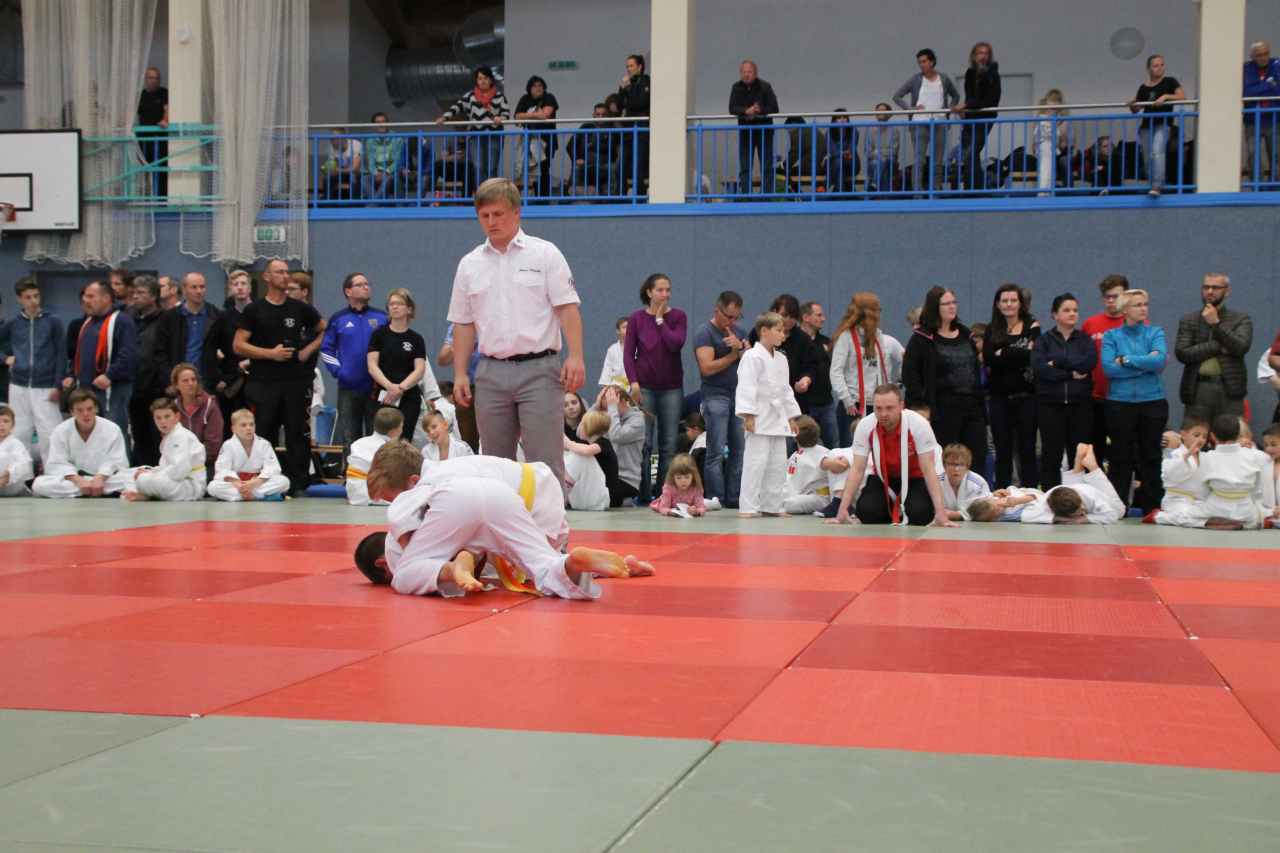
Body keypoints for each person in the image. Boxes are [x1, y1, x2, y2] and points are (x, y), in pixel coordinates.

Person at [448, 178, 585, 496]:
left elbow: (567, 308)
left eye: (498, 214)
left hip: (540, 369)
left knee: (545, 462)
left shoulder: (545, 254)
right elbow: (463, 324)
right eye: (484, 216)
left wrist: (576, 356)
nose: (492, 222)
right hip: (490, 372)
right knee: (494, 464)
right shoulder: (469, 264)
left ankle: (551, 526)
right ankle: (500, 527)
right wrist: (460, 373)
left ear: (516, 212)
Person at [355, 477, 652, 599]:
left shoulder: (395, 544)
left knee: (404, 577)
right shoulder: (431, 490)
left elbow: (401, 516)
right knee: (542, 565)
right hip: (499, 492)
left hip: (453, 502)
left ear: (381, 563)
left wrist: (454, 567)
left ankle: (450, 569)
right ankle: (573, 563)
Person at [233, 259, 326, 496]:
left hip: (295, 382)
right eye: (279, 272)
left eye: (287, 272)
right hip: (263, 382)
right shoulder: (254, 310)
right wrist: (270, 354)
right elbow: (239, 345)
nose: (285, 276)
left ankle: (298, 484)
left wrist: (308, 349)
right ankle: (264, 480)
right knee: (265, 432)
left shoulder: (300, 308)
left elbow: (325, 329)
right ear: (267, 277)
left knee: (297, 432)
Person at [829, 384, 955, 526]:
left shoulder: (919, 425)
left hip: (914, 478)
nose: (883, 414)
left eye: (889, 408)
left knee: (920, 515)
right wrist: (842, 510)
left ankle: (902, 510)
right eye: (878, 408)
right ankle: (892, 511)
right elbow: (857, 469)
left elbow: (929, 470)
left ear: (901, 405)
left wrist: (940, 513)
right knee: (867, 513)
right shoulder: (865, 425)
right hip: (883, 479)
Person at [1101, 288, 1168, 513]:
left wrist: (1127, 360)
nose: (1143, 309)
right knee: (1120, 457)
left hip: (1153, 401)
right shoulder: (1111, 336)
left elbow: (1159, 361)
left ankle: (1152, 506)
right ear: (1125, 309)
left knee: (1151, 455)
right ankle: (1118, 506)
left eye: (1145, 304)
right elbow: (1109, 368)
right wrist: (1145, 363)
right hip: (1120, 403)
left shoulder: (1155, 332)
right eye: (1138, 305)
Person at [903, 286, 985, 465]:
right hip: (941, 409)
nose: (952, 307)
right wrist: (921, 406)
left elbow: (975, 370)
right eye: (946, 303)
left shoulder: (965, 334)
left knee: (976, 456)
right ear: (934, 307)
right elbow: (910, 375)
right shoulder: (922, 338)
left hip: (972, 407)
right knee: (944, 459)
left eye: (954, 302)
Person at [623, 273, 687, 500]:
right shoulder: (636, 318)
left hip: (671, 388)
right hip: (645, 388)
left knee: (668, 444)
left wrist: (660, 321)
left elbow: (675, 344)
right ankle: (642, 494)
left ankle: (663, 494)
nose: (665, 294)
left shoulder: (678, 316)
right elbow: (628, 355)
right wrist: (634, 382)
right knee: (644, 443)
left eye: (668, 290)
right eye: (660, 290)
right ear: (649, 292)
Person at [736, 311, 802, 518]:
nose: (783, 334)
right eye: (779, 330)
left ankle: (772, 506)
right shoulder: (751, 356)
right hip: (758, 417)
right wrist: (748, 415)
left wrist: (791, 417)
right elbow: (747, 386)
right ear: (764, 331)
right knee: (755, 464)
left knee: (777, 464)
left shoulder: (781, 358)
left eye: (784, 331)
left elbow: (786, 390)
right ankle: (748, 507)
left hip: (778, 418)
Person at [1032, 293, 1097, 489]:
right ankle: (1051, 495)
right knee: (1051, 454)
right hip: (1051, 405)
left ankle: (1080, 495)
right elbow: (1040, 369)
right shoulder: (1044, 341)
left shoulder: (1085, 340)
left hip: (1080, 405)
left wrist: (1057, 363)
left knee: (1080, 454)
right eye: (1066, 310)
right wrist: (1069, 373)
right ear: (1055, 314)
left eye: (1075, 310)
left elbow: (1088, 363)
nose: (1072, 314)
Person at [1174, 273, 1252, 425]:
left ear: (1227, 291)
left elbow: (1240, 348)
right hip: (1198, 388)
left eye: (1215, 288)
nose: (1209, 291)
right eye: (1206, 287)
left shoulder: (1241, 319)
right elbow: (1183, 353)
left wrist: (1216, 324)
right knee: (1195, 434)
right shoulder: (1189, 319)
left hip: (1229, 389)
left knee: (1231, 435)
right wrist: (1218, 346)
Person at [1, 278, 65, 464]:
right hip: (18, 385)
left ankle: (53, 471)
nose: (34, 301)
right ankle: (20, 474)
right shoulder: (13, 323)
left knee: (50, 432)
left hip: (45, 385)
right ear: (19, 299)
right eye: (28, 297)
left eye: (36, 296)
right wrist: (5, 358)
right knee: (19, 431)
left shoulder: (53, 322)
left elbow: (61, 354)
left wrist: (58, 384)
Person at [829, 292, 904, 448]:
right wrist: (847, 400)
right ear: (869, 313)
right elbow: (836, 371)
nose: (880, 314)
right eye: (878, 310)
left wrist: (890, 390)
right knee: (851, 449)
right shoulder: (846, 338)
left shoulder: (878, 336)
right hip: (853, 407)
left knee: (880, 448)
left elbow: (883, 368)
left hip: (877, 405)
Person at [694, 290, 747, 508]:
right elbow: (707, 368)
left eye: (736, 317)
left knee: (739, 449)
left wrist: (742, 348)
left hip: (739, 395)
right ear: (717, 311)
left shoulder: (740, 331)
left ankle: (734, 498)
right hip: (715, 395)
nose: (732, 321)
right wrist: (733, 354)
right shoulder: (704, 333)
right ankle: (717, 498)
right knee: (715, 450)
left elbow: (751, 361)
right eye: (728, 316)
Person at [321, 272, 387, 449]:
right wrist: (340, 372)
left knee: (378, 439)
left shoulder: (382, 317)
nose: (366, 287)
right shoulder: (338, 319)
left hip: (376, 388)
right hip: (348, 389)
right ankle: (350, 468)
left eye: (367, 284)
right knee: (350, 439)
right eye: (360, 284)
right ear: (348, 291)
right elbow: (326, 349)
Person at [983, 283, 1040, 488]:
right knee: (1003, 450)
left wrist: (1004, 352)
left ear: (1020, 303)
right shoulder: (991, 329)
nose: (1009, 304)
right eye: (1004, 300)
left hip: (1027, 397)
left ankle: (1032, 493)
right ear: (998, 304)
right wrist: (1017, 354)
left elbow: (1033, 356)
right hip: (999, 398)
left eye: (1013, 300)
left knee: (1027, 450)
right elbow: (989, 359)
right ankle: (1002, 493)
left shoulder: (1032, 325)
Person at [64, 280, 137, 437]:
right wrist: (72, 375)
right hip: (88, 389)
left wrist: (110, 375)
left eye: (91, 296)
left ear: (106, 298)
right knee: (91, 435)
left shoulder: (122, 321)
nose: (85, 300)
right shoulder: (88, 322)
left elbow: (128, 355)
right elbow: (79, 354)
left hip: (113, 390)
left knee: (113, 433)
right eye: (85, 296)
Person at [31, 388, 130, 498]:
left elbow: (117, 460)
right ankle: (99, 490)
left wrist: (100, 477)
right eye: (80, 410)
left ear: (96, 408)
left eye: (89, 409)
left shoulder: (112, 429)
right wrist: (78, 480)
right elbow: (57, 462)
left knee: (132, 478)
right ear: (72, 412)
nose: (85, 414)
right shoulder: (60, 431)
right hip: (75, 480)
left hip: (106, 478)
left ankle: (86, 491)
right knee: (39, 485)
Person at [366, 288, 428, 445]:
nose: (394, 307)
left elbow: (419, 370)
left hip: (408, 396)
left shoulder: (416, 339)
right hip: (383, 395)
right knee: (382, 440)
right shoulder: (379, 334)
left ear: (409, 309)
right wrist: (390, 387)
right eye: (391, 304)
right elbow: (372, 365)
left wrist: (400, 388)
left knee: (404, 441)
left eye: (399, 303)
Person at [893, 48, 960, 193]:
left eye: (924, 61)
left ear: (932, 61)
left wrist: (949, 109)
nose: (921, 65)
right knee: (919, 160)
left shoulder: (944, 78)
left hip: (940, 122)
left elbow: (956, 96)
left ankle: (936, 190)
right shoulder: (915, 79)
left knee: (937, 160)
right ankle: (917, 192)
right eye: (919, 62)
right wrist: (910, 108)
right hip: (919, 123)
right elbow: (897, 96)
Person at [1193, 414, 1276, 529]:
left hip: (1215, 510)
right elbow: (1260, 491)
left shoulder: (1205, 458)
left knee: (1183, 513)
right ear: (1238, 434)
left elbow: (1201, 493)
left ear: (1212, 436)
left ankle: (1211, 522)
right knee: (1257, 513)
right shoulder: (1259, 456)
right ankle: (1248, 523)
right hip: (1246, 511)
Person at [1082, 275, 1129, 467]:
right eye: (1107, 297)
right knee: (1094, 451)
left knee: (1122, 451)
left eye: (1115, 296)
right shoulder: (1090, 324)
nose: (1110, 301)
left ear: (1125, 297)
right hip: (1095, 397)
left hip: (1124, 398)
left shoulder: (1135, 323)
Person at [121, 397, 206, 502]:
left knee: (144, 479)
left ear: (177, 416)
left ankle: (145, 493)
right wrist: (151, 471)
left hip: (189, 485)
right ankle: (143, 493)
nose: (163, 421)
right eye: (158, 418)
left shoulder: (181, 436)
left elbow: (179, 471)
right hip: (174, 481)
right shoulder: (169, 436)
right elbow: (166, 467)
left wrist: (152, 474)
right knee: (130, 474)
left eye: (167, 416)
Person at [437, 66, 511, 185]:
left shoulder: (499, 96)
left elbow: (506, 114)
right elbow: (457, 107)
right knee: (478, 167)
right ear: (476, 81)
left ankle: (491, 194)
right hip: (475, 136)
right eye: (480, 78)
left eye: (485, 78)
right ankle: (481, 194)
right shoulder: (470, 96)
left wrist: (500, 118)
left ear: (491, 80)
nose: (483, 81)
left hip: (495, 135)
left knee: (492, 168)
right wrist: (444, 117)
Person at [1021, 444, 1125, 524]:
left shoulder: (1091, 496)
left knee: (1120, 510)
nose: (1083, 510)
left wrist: (1085, 518)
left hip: (1089, 490)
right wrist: (1058, 518)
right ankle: (1078, 464)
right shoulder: (1047, 502)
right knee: (1073, 486)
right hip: (1068, 487)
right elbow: (1026, 516)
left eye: (1081, 507)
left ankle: (1093, 467)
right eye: (1079, 511)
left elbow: (1112, 515)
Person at [1128, 55, 1186, 195]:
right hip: (1146, 126)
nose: (1159, 68)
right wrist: (1132, 104)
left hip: (1163, 124)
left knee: (1157, 151)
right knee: (1148, 158)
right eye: (1155, 65)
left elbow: (1182, 97)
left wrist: (1165, 97)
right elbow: (1136, 110)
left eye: (1162, 65)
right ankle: (1152, 184)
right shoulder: (1143, 88)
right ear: (1149, 69)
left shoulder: (1170, 81)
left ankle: (1157, 186)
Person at [207, 409, 290, 501]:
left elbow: (273, 468)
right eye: (243, 425)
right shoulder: (228, 445)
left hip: (257, 482)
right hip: (237, 484)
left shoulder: (264, 444)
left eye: (251, 424)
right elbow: (222, 469)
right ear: (233, 429)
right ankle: (257, 496)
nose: (248, 428)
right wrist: (237, 483)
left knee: (284, 482)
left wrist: (256, 482)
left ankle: (243, 496)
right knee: (212, 486)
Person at [208, 270, 254, 435]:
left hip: (260, 377)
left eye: (243, 284)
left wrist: (251, 361)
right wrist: (216, 378)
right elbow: (209, 348)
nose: (240, 287)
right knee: (230, 426)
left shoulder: (262, 313)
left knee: (259, 425)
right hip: (231, 380)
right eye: (235, 284)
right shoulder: (223, 318)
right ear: (230, 289)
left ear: (250, 288)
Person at [127, 275, 166, 465]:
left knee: (157, 434)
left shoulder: (166, 319)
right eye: (134, 292)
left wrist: (166, 382)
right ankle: (140, 470)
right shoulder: (128, 318)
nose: (135, 296)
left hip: (157, 388)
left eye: (141, 293)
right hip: (134, 386)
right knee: (138, 433)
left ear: (153, 296)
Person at [953, 42, 1000, 191]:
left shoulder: (993, 73)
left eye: (986, 53)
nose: (983, 56)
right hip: (970, 118)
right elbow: (970, 96)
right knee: (970, 156)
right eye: (980, 53)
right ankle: (973, 190)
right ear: (974, 56)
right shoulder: (970, 73)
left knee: (971, 153)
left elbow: (990, 100)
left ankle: (974, 191)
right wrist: (965, 110)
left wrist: (966, 105)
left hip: (985, 118)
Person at [729, 60, 779, 197]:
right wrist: (746, 111)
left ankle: (767, 197)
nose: (746, 75)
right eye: (743, 72)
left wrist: (759, 110)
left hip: (764, 131)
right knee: (745, 166)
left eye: (749, 72)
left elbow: (775, 108)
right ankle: (747, 196)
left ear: (755, 73)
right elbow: (732, 108)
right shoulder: (736, 87)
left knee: (767, 166)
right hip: (746, 132)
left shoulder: (765, 86)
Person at [1153, 416, 1211, 527]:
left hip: (1200, 502)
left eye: (1204, 436)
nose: (1201, 440)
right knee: (1185, 516)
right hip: (1177, 501)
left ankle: (1204, 522)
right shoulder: (1175, 454)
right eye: (1196, 435)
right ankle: (1158, 516)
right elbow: (1168, 476)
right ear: (1183, 434)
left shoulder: (1206, 457)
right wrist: (1186, 456)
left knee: (1216, 513)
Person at [171, 361, 223, 474]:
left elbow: (213, 446)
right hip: (179, 463)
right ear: (176, 385)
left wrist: (191, 462)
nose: (190, 383)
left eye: (193, 379)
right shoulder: (173, 408)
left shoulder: (210, 405)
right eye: (185, 381)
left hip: (206, 464)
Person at [513, 75, 560, 200]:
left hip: (547, 140)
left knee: (544, 169)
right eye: (534, 86)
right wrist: (535, 114)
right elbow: (517, 117)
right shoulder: (525, 99)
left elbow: (545, 115)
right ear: (529, 88)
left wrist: (527, 115)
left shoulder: (549, 97)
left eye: (540, 86)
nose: (538, 88)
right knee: (531, 170)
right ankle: (536, 198)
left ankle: (544, 199)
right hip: (529, 140)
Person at [799, 301, 838, 448]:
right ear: (806, 317)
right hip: (805, 404)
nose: (823, 319)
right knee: (804, 444)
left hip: (826, 402)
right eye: (819, 315)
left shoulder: (826, 342)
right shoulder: (796, 342)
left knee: (833, 443)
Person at [346, 407, 404, 506]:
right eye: (401, 426)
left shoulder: (357, 443)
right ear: (394, 431)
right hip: (374, 494)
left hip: (353, 494)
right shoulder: (391, 449)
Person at [597, 384, 643, 507]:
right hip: (606, 476)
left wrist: (612, 408)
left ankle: (624, 499)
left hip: (627, 480)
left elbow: (616, 435)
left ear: (622, 401)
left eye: (610, 406)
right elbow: (582, 433)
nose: (607, 411)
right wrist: (596, 406)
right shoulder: (610, 416)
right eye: (605, 408)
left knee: (595, 499)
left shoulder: (637, 420)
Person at [1243, 41, 1280, 185]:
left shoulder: (1276, 65)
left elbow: (1278, 91)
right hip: (1252, 120)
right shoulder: (1246, 68)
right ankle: (1256, 186)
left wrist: (1258, 88)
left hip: (1274, 118)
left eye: (1266, 54)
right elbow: (1246, 93)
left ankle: (1276, 187)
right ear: (1252, 56)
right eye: (1259, 55)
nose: (1263, 57)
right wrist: (1269, 84)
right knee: (1253, 155)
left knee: (1276, 155)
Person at [564, 408, 613, 511]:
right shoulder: (588, 444)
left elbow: (586, 451)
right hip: (593, 492)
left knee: (579, 455)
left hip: (603, 495)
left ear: (590, 427)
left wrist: (567, 443)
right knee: (572, 454)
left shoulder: (604, 443)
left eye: (582, 424)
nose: (579, 426)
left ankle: (562, 493)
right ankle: (562, 491)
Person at [617, 54, 651, 194]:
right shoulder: (627, 84)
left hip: (641, 126)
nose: (628, 69)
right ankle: (621, 197)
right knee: (621, 164)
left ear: (640, 67)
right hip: (628, 128)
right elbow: (618, 106)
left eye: (631, 66)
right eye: (627, 66)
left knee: (639, 163)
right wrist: (622, 89)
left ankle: (639, 197)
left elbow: (640, 103)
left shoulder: (646, 81)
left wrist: (627, 90)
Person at [782, 415, 831, 515]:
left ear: (795, 437)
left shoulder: (824, 454)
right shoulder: (795, 455)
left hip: (820, 497)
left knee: (790, 504)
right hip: (800, 493)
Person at [136, 67, 169, 197]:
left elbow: (167, 109)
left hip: (160, 139)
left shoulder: (164, 93)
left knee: (161, 170)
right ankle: (145, 198)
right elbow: (132, 113)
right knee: (144, 170)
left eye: (157, 78)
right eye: (151, 77)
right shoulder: (140, 96)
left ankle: (161, 199)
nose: (154, 80)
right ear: (146, 79)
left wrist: (165, 120)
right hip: (143, 140)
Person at [940, 442, 991, 520]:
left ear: (967, 466)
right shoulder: (936, 483)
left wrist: (957, 515)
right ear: (944, 465)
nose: (956, 469)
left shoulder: (978, 483)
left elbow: (984, 510)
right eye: (951, 464)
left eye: (961, 464)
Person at [363, 112, 408, 200]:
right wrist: (376, 173)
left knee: (388, 179)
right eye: (378, 122)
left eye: (383, 122)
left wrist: (386, 172)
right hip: (377, 172)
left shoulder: (397, 138)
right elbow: (371, 162)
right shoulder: (370, 141)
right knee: (364, 179)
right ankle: (376, 203)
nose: (381, 125)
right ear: (373, 126)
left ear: (388, 123)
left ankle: (373, 204)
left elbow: (397, 161)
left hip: (392, 172)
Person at [861, 103, 903, 194]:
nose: (880, 112)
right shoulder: (870, 129)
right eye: (878, 110)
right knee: (878, 163)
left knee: (881, 162)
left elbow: (893, 151)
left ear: (889, 114)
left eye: (883, 110)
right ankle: (882, 195)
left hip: (890, 162)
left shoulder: (895, 130)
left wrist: (878, 153)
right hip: (874, 161)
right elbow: (867, 151)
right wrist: (881, 155)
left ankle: (874, 185)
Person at [649, 452, 705, 517]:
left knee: (707, 503)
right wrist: (671, 512)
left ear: (693, 476)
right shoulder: (669, 487)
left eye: (687, 477)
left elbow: (701, 508)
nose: (683, 481)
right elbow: (663, 508)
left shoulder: (696, 488)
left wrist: (696, 511)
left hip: (687, 514)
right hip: (671, 512)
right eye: (679, 478)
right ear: (673, 477)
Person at [319, 128, 363, 201]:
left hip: (357, 174)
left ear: (343, 138)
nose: (331, 142)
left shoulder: (355, 144)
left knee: (353, 177)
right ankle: (328, 203)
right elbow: (332, 165)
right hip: (341, 174)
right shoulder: (332, 148)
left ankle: (355, 203)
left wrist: (337, 170)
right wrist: (326, 169)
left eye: (333, 139)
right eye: (330, 139)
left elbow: (355, 168)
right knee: (327, 179)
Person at [0, 405, 33, 496]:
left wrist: (8, 474)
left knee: (3, 456)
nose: (1, 425)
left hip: (11, 485)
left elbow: (24, 464)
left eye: (6, 421)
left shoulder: (15, 443)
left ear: (13, 425)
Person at [824, 110, 859, 195]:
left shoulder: (853, 130)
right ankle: (841, 194)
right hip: (834, 164)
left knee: (838, 162)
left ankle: (829, 186)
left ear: (848, 119)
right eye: (839, 118)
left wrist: (835, 154)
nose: (842, 120)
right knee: (838, 162)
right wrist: (842, 153)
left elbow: (851, 150)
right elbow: (832, 150)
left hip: (850, 164)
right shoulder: (829, 132)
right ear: (834, 120)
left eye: (845, 117)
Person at [598, 317, 628, 387]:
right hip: (616, 387)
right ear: (618, 331)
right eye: (624, 327)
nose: (628, 329)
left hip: (635, 387)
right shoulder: (612, 350)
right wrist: (606, 388)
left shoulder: (638, 348)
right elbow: (607, 371)